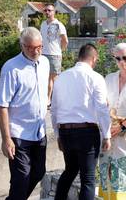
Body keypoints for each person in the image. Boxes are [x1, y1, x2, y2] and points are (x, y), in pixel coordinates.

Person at [51, 43, 111, 200]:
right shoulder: (95, 77)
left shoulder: (61, 77)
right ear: (94, 59)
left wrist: (57, 135)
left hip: (65, 131)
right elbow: (102, 109)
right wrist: (107, 135)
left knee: (70, 171)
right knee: (88, 178)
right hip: (86, 132)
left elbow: (54, 110)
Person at [0, 27, 50, 200]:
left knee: (39, 172)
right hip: (18, 133)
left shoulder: (45, 63)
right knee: (21, 179)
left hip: (39, 131)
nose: (36, 51)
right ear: (22, 45)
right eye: (31, 47)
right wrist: (6, 139)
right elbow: (2, 105)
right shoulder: (11, 68)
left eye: (39, 47)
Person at [98, 43, 126, 199]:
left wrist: (123, 126)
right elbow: (102, 104)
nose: (122, 62)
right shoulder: (108, 78)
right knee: (107, 181)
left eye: (125, 58)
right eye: (118, 58)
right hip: (108, 136)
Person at [40, 4, 68, 103]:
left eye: (49, 10)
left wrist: (61, 50)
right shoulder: (43, 24)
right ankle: (48, 99)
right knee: (45, 78)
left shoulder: (58, 24)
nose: (47, 12)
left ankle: (51, 100)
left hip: (54, 54)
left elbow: (65, 40)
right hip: (43, 54)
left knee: (53, 79)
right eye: (45, 10)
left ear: (54, 12)